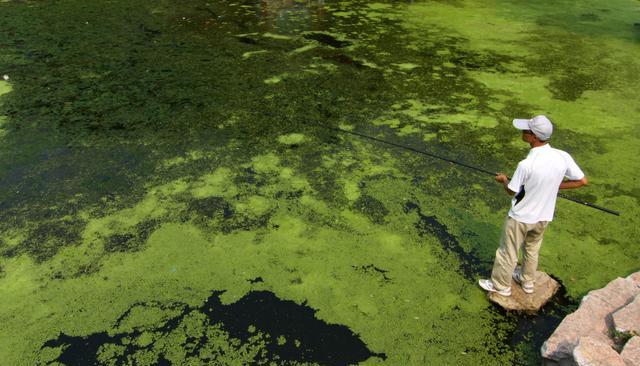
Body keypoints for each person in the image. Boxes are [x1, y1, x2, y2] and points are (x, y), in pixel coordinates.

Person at [478, 115, 588, 296]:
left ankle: (500, 286)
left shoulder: (526, 164)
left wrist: (504, 180)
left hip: (520, 217)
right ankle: (527, 281)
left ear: (533, 136)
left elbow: (512, 191)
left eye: (526, 130)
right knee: (532, 250)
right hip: (543, 216)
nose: (522, 132)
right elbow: (582, 181)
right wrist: (555, 186)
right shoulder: (562, 156)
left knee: (508, 252)